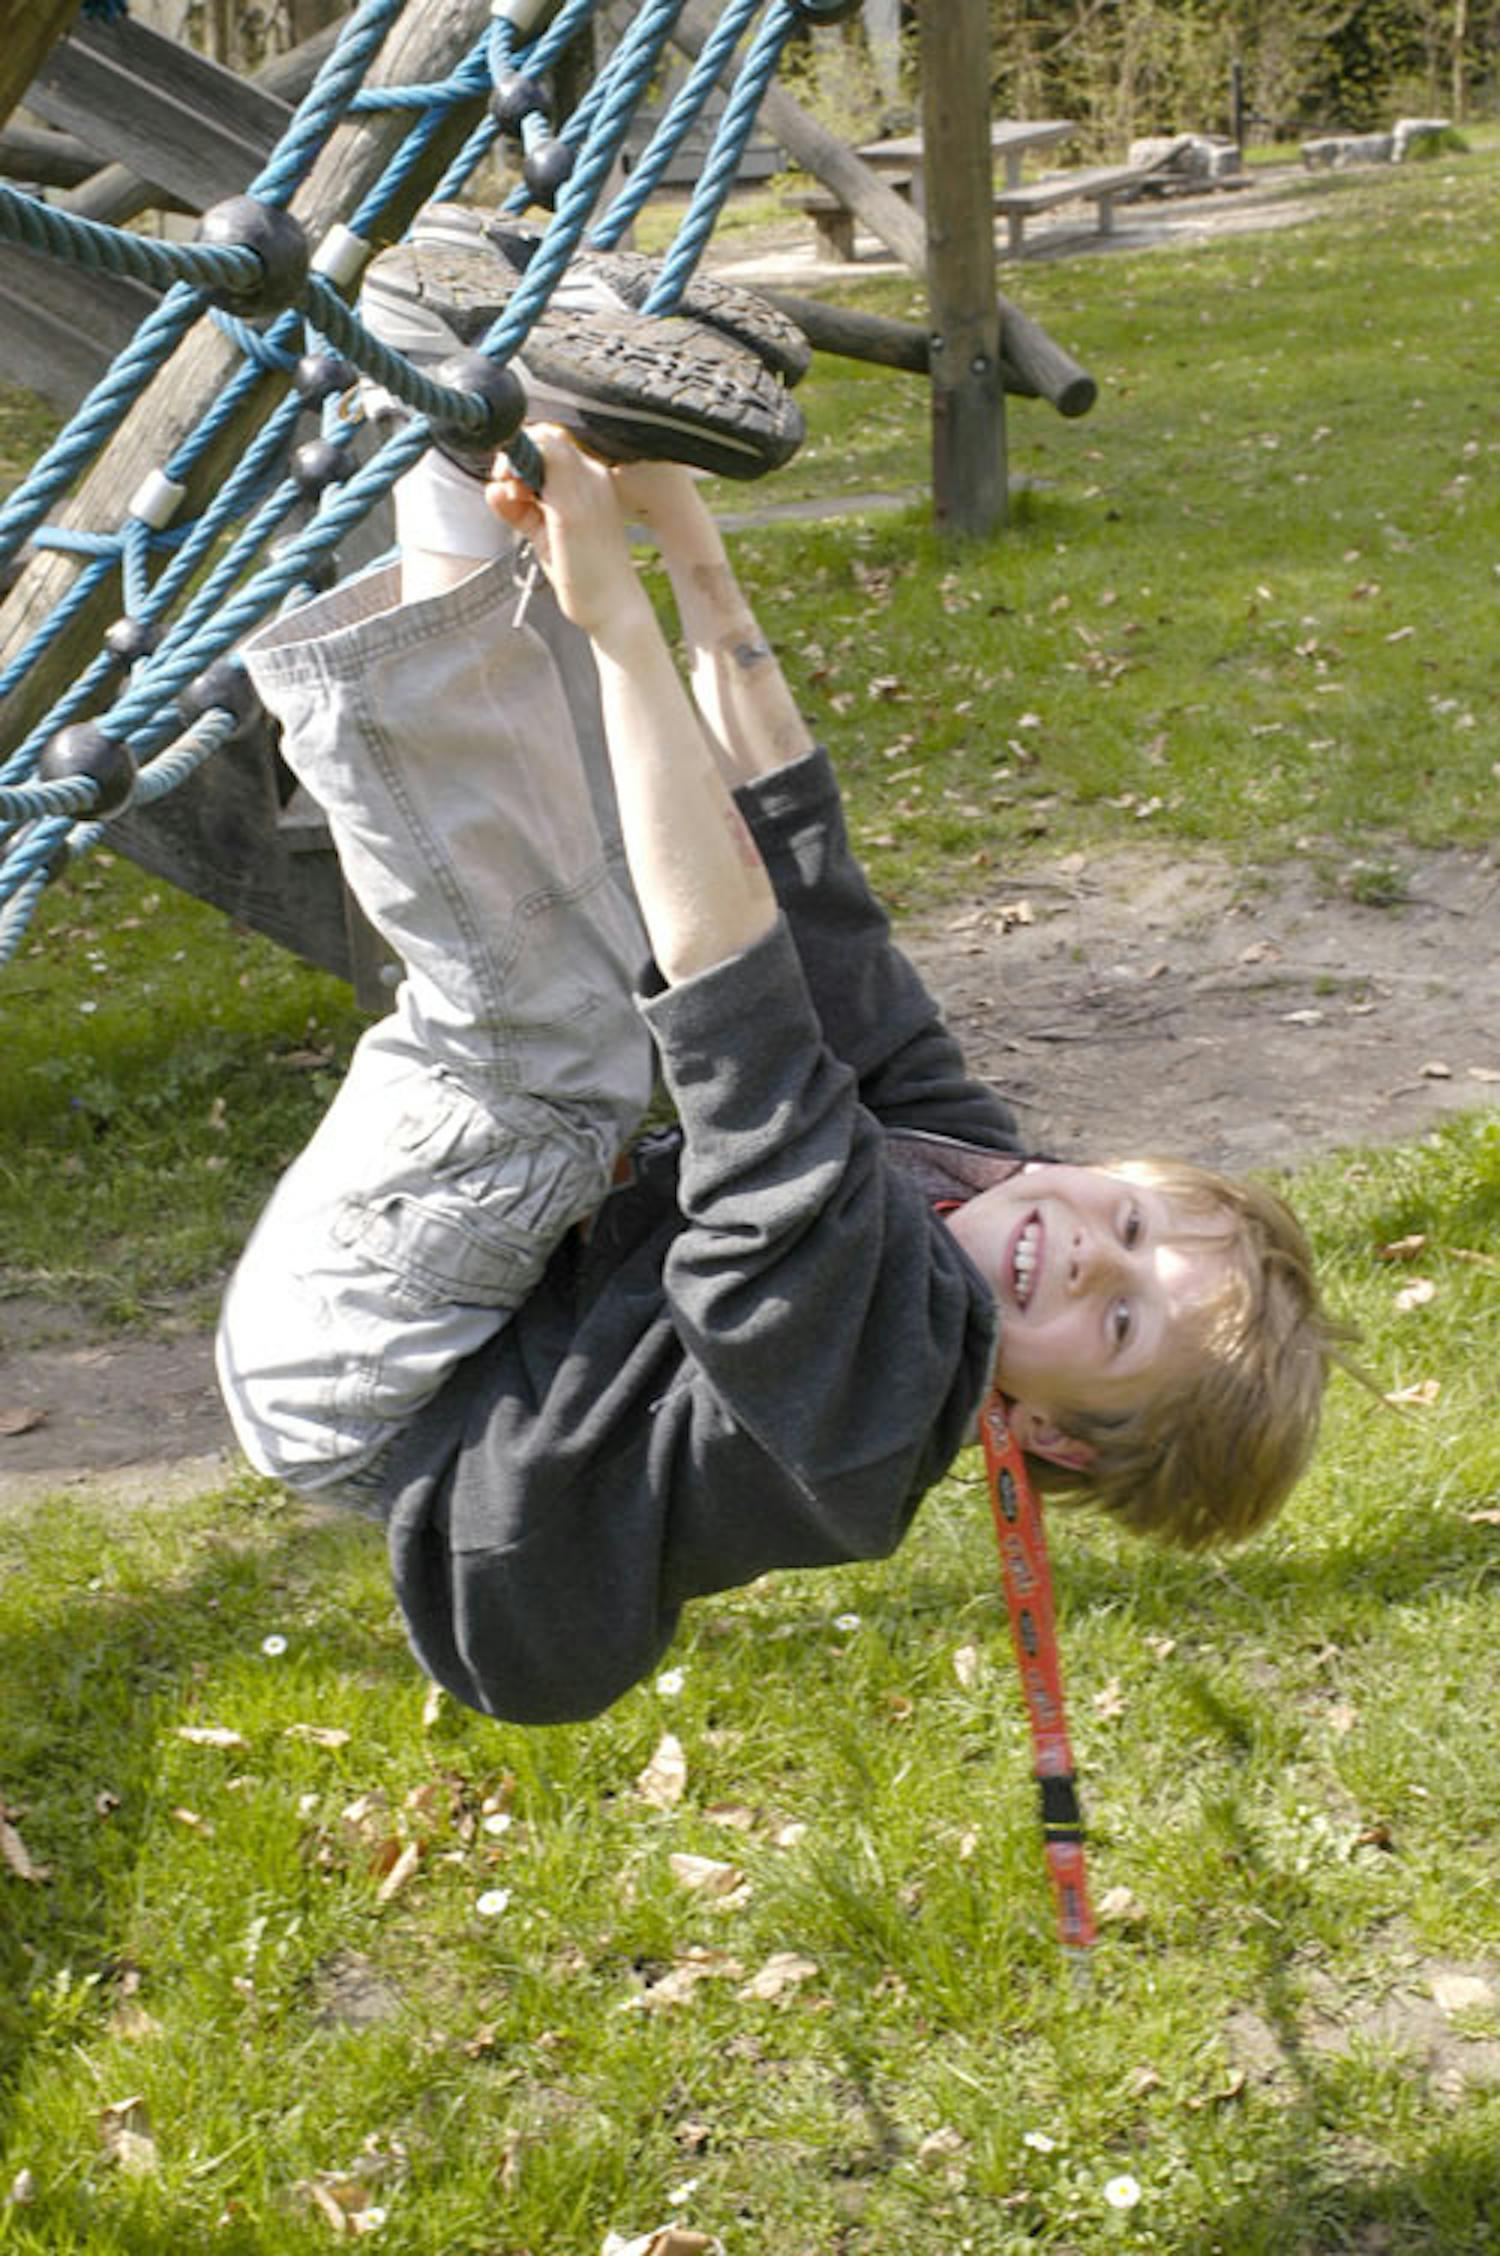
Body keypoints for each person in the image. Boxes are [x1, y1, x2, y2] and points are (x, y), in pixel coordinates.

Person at [217, 420, 1337, 1727]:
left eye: (1123, 1324)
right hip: (480, 1322)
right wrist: (679, 526)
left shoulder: (869, 1395)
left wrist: (617, 617)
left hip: (371, 1381)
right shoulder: (973, 1172)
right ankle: (481, 442)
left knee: (566, 1050)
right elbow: (809, 879)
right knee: (639, 885)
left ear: (1054, 1437)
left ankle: (446, 456)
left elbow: (734, 996)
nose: (1094, 1254)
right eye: (1135, 1223)